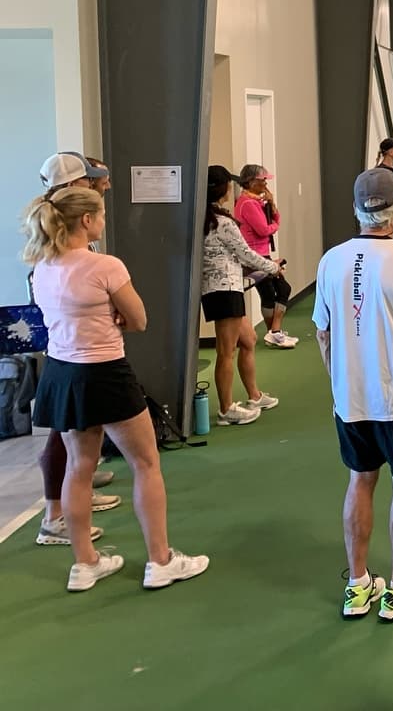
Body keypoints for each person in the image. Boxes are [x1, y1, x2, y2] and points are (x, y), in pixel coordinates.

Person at [24, 186, 209, 592]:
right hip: (105, 371)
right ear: (87, 220)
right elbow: (138, 319)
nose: (105, 221)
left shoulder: (42, 267)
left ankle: (85, 564)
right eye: (102, 215)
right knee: (145, 463)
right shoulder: (105, 266)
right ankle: (160, 561)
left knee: (79, 467)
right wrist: (114, 314)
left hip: (62, 373)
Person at [312, 168, 393, 623]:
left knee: (360, 480)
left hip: (349, 400)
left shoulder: (330, 261)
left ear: (356, 210)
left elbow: (324, 333)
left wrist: (340, 384)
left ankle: (358, 586)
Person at [33, 152, 121, 548]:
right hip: (68, 351)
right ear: (73, 186)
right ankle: (54, 516)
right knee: (61, 432)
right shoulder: (50, 234)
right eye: (91, 179)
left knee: (77, 433)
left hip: (80, 349)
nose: (100, 184)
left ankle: (75, 495)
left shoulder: (67, 229)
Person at [201, 166, 283, 426]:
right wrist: (273, 267)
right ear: (223, 188)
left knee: (248, 340)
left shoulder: (210, 217)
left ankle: (254, 396)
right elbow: (245, 253)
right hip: (223, 290)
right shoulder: (221, 222)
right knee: (226, 352)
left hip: (227, 288)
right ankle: (226, 410)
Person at [233, 164, 298, 349]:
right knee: (283, 289)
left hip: (260, 253)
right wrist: (275, 225)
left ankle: (273, 333)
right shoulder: (248, 204)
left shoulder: (253, 202)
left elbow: (273, 219)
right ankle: (275, 332)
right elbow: (264, 229)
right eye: (263, 180)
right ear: (251, 181)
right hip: (256, 256)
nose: (265, 184)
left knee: (269, 294)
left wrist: (272, 205)